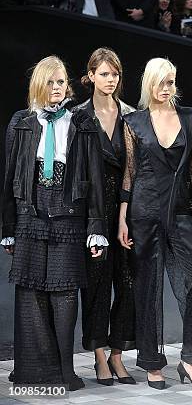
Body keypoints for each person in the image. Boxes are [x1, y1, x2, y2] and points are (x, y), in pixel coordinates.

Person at [1, 55, 106, 391]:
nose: (58, 88)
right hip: (30, 216)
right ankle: (34, 372)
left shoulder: (83, 122)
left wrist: (96, 229)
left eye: (62, 82)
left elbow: (95, 180)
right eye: (51, 82)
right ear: (38, 84)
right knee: (30, 292)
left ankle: (64, 371)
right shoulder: (21, 122)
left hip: (68, 216)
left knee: (64, 294)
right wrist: (7, 229)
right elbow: (9, 179)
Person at [119, 58, 192, 389]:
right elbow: (129, 172)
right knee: (148, 289)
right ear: (149, 84)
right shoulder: (134, 122)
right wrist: (121, 218)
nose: (166, 87)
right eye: (161, 81)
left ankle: (191, 358)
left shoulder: (191, 118)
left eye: (171, 81)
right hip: (143, 212)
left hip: (183, 213)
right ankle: (152, 364)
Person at [74, 48, 137, 386]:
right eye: (104, 74)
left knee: (127, 285)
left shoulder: (131, 114)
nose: (110, 80)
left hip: (127, 210)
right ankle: (99, 355)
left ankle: (117, 354)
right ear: (91, 76)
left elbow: (135, 167)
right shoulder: (78, 117)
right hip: (93, 212)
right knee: (96, 288)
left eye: (115, 74)